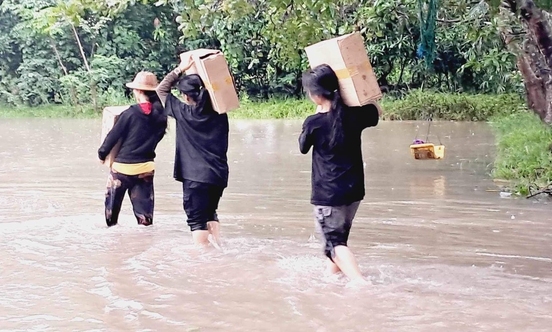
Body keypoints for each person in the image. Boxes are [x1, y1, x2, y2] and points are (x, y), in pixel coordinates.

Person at [299, 64, 381, 284]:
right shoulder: (354, 115)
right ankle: (332, 281)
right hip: (353, 191)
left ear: (316, 95)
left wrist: (315, 116)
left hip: (328, 194)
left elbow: (302, 146)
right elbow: (375, 111)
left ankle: (361, 283)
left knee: (333, 245)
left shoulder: (314, 123)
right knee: (340, 239)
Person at [156, 57, 229, 248]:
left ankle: (202, 261)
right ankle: (218, 248)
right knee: (211, 212)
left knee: (197, 220)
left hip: (196, 178)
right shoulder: (220, 113)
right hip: (218, 176)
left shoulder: (184, 113)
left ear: (186, 96)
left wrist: (181, 68)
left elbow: (161, 89)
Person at [98, 71, 168, 227]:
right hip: (146, 169)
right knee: (145, 221)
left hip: (122, 169)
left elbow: (112, 138)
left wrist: (101, 155)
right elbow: (157, 137)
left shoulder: (129, 113)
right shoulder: (161, 115)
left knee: (111, 218)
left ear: (138, 91)